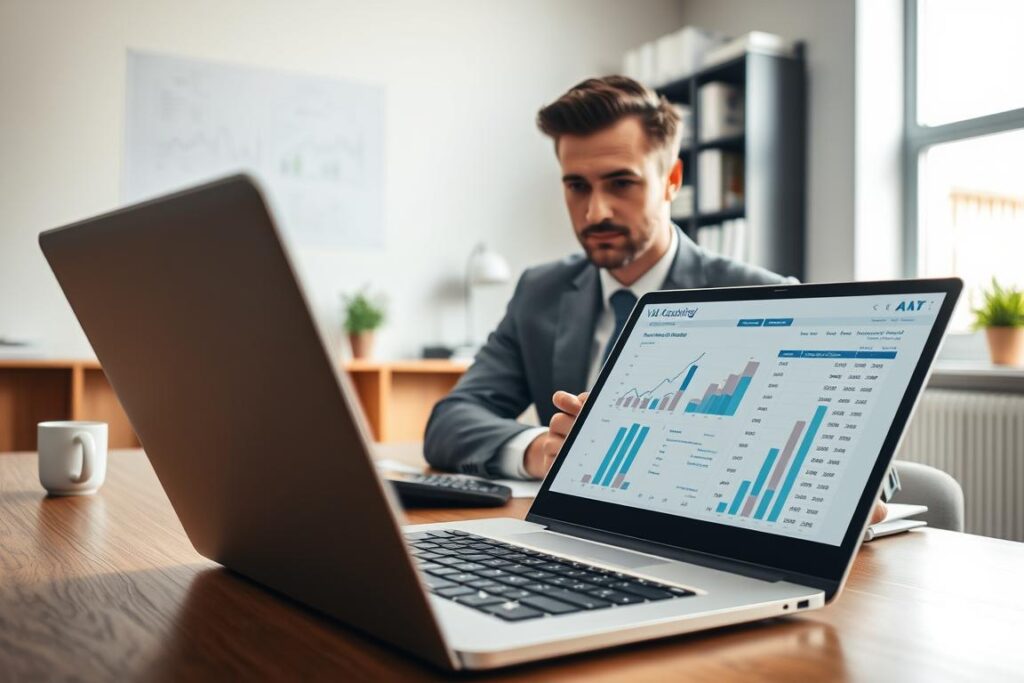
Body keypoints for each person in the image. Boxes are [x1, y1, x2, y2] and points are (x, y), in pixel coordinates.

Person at [424, 76, 887, 523]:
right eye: (577, 185)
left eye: (621, 183)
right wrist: (539, 449)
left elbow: (869, 475)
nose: (595, 211)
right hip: (570, 538)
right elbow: (450, 422)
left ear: (671, 179)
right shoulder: (539, 293)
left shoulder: (765, 299)